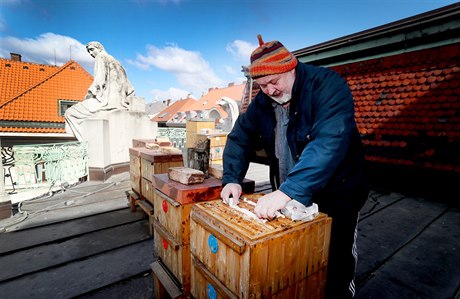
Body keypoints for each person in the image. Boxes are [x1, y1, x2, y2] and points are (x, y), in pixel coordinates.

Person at [220, 35, 370, 299]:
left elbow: (329, 142)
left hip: (338, 194)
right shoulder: (263, 102)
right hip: (290, 195)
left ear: (290, 67)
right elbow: (239, 137)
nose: (270, 91)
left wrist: (288, 190)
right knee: (296, 262)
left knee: (336, 262)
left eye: (273, 82)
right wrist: (232, 178)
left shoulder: (328, 86)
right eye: (262, 85)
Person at [65, 41, 134, 140]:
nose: (91, 53)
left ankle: (87, 141)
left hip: (106, 102)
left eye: (92, 50)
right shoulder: (116, 61)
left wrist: (88, 95)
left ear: (100, 48)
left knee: (70, 112)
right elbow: (129, 87)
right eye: (89, 52)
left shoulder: (100, 57)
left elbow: (99, 81)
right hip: (120, 102)